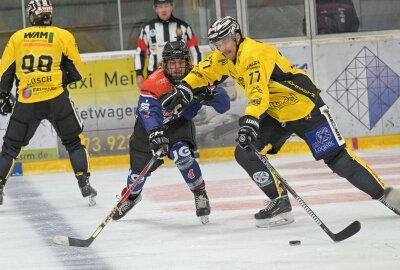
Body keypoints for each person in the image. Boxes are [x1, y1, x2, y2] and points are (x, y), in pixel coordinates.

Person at [160, 16, 400, 228]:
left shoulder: (254, 54)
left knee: (340, 161)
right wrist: (184, 87)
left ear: (236, 36)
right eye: (217, 44)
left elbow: (258, 95)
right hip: (277, 114)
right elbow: (204, 71)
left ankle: (391, 198)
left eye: (225, 41)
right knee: (245, 152)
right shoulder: (223, 57)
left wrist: (250, 120)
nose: (222, 48)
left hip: (305, 109)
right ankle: (280, 201)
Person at [112, 41, 230, 224]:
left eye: (180, 62)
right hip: (148, 128)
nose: (176, 68)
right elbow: (146, 111)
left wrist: (209, 94)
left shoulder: (198, 75)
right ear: (164, 64)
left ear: (187, 62)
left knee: (183, 155)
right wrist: (155, 133)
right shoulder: (154, 81)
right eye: (172, 63)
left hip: (178, 124)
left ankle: (200, 192)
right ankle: (131, 197)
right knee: (138, 175)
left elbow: (224, 105)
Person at [0, 0, 97, 206]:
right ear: (49, 15)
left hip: (27, 100)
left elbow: (5, 71)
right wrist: (56, 79)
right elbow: (77, 73)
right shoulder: (63, 35)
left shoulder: (17, 37)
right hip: (56, 99)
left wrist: (2, 96)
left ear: (32, 15)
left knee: (10, 148)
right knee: (74, 143)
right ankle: (84, 184)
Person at [134, 0, 202, 88]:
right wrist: (139, 73)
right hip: (153, 76)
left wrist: (195, 73)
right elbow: (140, 52)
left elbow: (197, 52)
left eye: (166, 6)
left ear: (172, 7)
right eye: (160, 7)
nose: (163, 10)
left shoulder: (184, 27)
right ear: (155, 9)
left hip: (181, 77)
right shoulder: (147, 28)